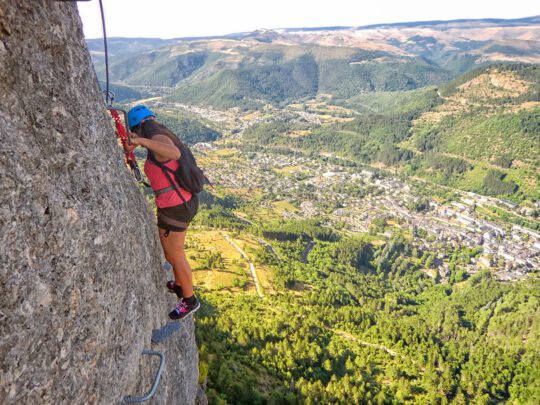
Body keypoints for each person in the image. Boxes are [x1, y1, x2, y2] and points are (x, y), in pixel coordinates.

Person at [126, 105, 200, 320]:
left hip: (176, 207)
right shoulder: (160, 135)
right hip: (179, 203)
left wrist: (141, 141)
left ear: (138, 127)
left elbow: (173, 153)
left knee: (176, 256)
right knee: (171, 253)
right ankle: (179, 285)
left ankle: (189, 300)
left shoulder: (158, 140)